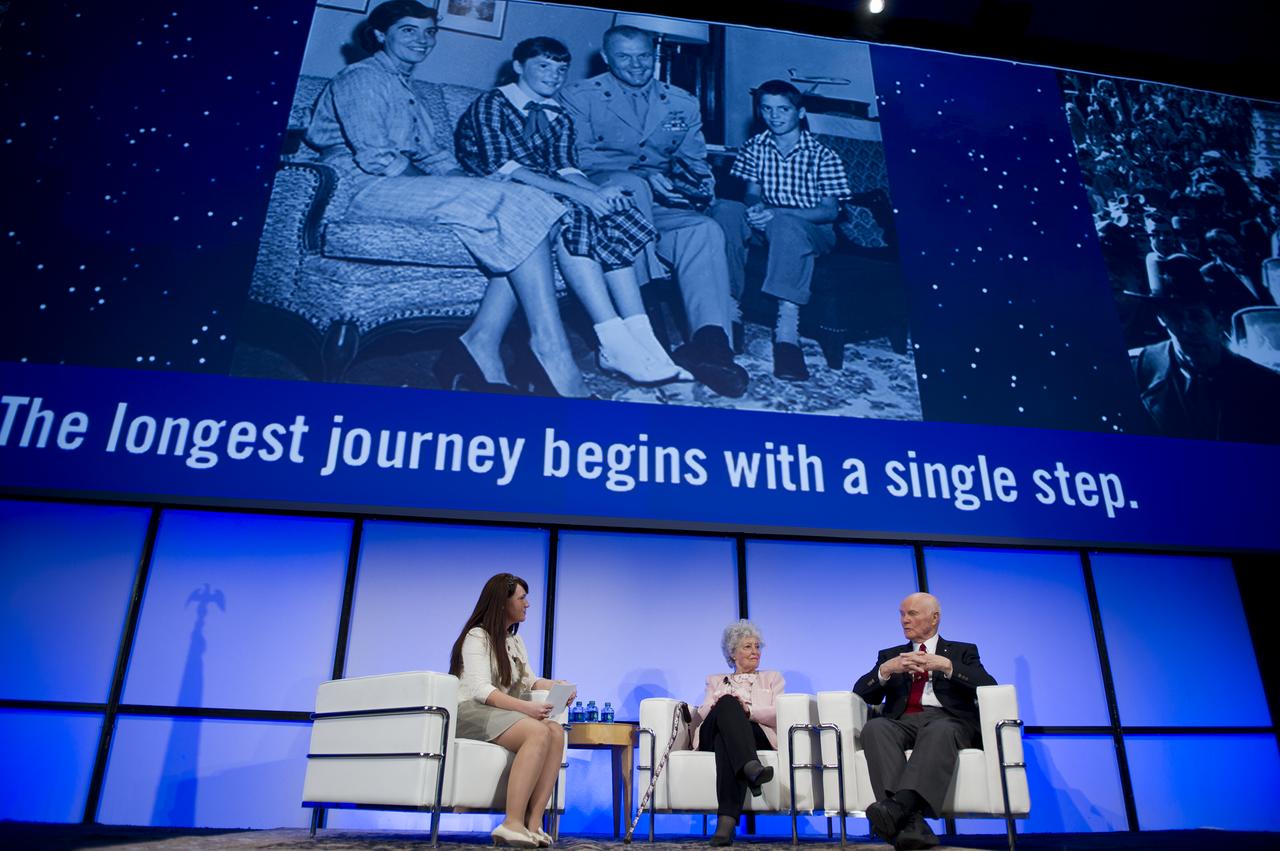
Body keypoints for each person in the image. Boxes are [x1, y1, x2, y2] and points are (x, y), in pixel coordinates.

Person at [304, 1, 593, 398]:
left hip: (391, 183)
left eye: (429, 32)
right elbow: (378, 158)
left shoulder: (406, 88)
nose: (422, 40)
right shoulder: (361, 78)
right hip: (359, 188)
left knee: (522, 199)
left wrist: (474, 184)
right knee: (511, 201)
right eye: (408, 30)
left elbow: (435, 155)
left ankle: (480, 344)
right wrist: (471, 191)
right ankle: (550, 348)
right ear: (379, 35)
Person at [455, 37, 687, 387]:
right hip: (496, 188)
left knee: (611, 211)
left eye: (561, 69)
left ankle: (643, 336)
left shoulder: (558, 114)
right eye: (543, 66)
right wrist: (580, 198)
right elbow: (504, 167)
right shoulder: (493, 103)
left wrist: (596, 192)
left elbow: (564, 167)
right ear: (518, 66)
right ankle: (612, 336)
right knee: (576, 211)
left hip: (543, 186)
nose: (554, 75)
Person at [558, 25, 750, 398]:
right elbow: (572, 159)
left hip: (655, 203)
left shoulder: (681, 101)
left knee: (703, 230)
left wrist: (697, 189)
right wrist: (641, 175)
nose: (636, 65)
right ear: (607, 58)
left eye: (644, 56)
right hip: (601, 201)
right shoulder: (580, 96)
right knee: (635, 185)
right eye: (624, 57)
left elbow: (694, 161)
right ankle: (649, 335)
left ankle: (710, 344)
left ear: (655, 54)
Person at [722, 80, 851, 381]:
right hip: (768, 221)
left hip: (811, 229)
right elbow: (752, 192)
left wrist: (777, 212)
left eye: (783, 109)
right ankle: (730, 312)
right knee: (726, 210)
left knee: (786, 224)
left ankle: (787, 335)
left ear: (800, 112)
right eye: (767, 109)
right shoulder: (755, 146)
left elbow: (830, 211)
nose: (774, 116)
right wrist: (754, 207)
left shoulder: (823, 156)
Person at [853, 593, 996, 850]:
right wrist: (886, 670)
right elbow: (861, 693)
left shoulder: (962, 651)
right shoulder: (891, 655)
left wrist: (946, 665)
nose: (904, 620)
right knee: (875, 727)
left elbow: (987, 687)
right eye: (902, 614)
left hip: (949, 719)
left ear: (934, 618)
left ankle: (897, 807)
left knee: (939, 729)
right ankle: (911, 823)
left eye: (912, 614)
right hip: (903, 720)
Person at [448, 573, 574, 847]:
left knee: (554, 731)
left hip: (501, 714)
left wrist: (558, 685)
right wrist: (527, 709)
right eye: (521, 598)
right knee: (537, 732)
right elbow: (481, 690)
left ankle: (533, 823)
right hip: (471, 713)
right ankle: (511, 822)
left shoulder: (514, 642)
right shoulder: (477, 637)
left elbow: (530, 680)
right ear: (502, 603)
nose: (527, 604)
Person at [1128, 254, 1280, 443]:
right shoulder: (1135, 373)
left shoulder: (1266, 387)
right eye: (1175, 317)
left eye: (1197, 316)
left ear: (1219, 320)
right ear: (1161, 319)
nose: (1187, 329)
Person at [692, 619, 783, 846]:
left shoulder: (772, 678)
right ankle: (751, 766)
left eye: (757, 646)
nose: (755, 652)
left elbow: (779, 712)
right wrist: (720, 701)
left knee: (727, 740)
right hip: (711, 733)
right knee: (727, 703)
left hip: (755, 732)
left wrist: (749, 710)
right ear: (733, 653)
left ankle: (725, 823)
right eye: (747, 647)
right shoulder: (715, 680)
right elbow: (702, 714)